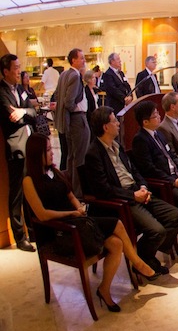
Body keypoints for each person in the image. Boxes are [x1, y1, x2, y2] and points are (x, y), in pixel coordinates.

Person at [22, 133, 159, 311]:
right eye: (47, 150)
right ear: (36, 153)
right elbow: (42, 215)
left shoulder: (54, 173)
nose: (52, 153)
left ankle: (104, 290)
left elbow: (71, 196)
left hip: (77, 223)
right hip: (59, 233)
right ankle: (138, 263)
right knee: (116, 224)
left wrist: (79, 208)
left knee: (116, 243)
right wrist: (72, 213)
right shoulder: (29, 181)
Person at [82, 106, 178, 276]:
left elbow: (134, 171)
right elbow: (103, 189)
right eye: (114, 120)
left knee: (177, 216)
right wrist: (133, 196)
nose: (118, 123)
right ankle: (144, 260)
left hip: (137, 192)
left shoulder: (117, 146)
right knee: (157, 230)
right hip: (121, 201)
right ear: (105, 127)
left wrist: (143, 186)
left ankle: (144, 255)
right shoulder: (94, 154)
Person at [129, 101, 178, 233]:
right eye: (155, 115)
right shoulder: (140, 140)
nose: (159, 117)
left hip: (176, 175)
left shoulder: (159, 134)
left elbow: (172, 155)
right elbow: (149, 169)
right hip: (164, 183)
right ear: (145, 122)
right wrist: (173, 181)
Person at [0, 54, 37, 251]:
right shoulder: (1, 91)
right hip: (16, 148)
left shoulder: (21, 89)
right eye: (16, 67)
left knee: (32, 189)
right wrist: (25, 114)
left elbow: (33, 112)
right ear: (6, 71)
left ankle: (33, 230)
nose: (19, 70)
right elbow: (10, 117)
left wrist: (23, 112)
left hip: (30, 145)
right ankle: (19, 236)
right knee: (17, 193)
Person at [54, 48, 90, 197]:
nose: (84, 61)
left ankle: (69, 189)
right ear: (73, 60)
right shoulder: (74, 76)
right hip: (76, 119)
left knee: (70, 157)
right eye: (81, 58)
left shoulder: (63, 74)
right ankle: (78, 192)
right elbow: (69, 102)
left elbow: (57, 95)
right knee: (79, 157)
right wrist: (74, 108)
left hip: (68, 120)